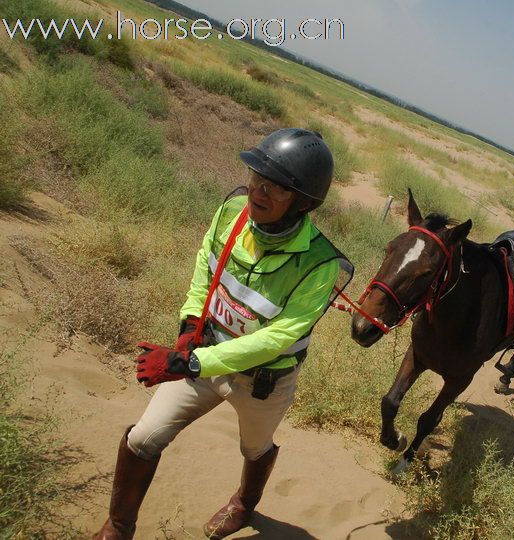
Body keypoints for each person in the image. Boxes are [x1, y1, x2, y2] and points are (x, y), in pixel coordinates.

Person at [93, 128, 352, 540]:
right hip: (206, 352)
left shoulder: (320, 265)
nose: (258, 192)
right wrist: (190, 324)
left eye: (276, 188)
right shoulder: (233, 211)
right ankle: (118, 527)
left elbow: (279, 337)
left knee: (255, 448)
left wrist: (189, 361)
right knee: (143, 437)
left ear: (303, 203)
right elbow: (206, 264)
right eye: (256, 178)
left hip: (264, 382)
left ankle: (244, 505)